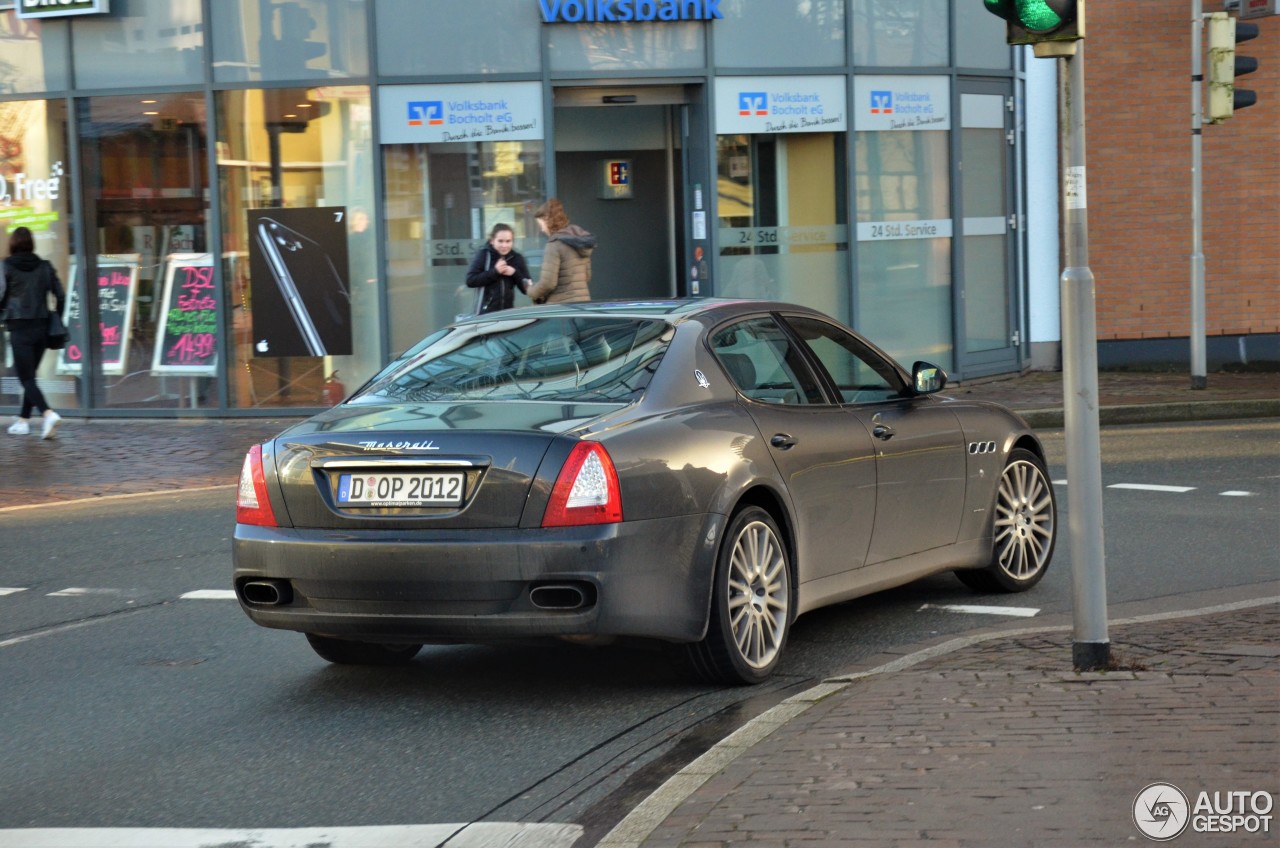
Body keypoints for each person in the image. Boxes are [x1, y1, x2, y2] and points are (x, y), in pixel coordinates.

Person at [1, 226, 65, 439]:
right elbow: (61, 295)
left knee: (25, 377)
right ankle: (23, 421)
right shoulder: (45, 266)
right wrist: (57, 317)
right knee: (30, 377)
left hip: (19, 327)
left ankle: (48, 413)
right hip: (42, 327)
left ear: (12, 244)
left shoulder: (6, 267)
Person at [526, 198, 595, 305]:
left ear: (548, 220)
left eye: (541, 225)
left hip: (561, 308)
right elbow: (587, 276)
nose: (542, 230)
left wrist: (530, 290)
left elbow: (548, 283)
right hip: (583, 304)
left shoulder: (554, 245)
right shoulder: (580, 240)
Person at [465, 223, 533, 314]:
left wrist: (515, 273)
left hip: (508, 314)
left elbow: (528, 288)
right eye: (500, 241)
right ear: (492, 241)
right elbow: (470, 280)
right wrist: (495, 271)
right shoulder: (484, 255)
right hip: (486, 314)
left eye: (508, 241)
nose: (504, 245)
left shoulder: (516, 258)